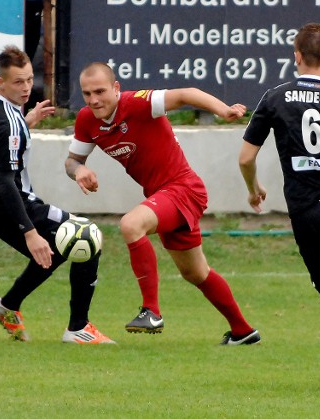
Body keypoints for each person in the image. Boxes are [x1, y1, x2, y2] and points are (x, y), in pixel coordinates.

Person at [65, 62, 260, 345]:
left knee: (131, 225)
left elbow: (186, 94)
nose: (94, 100)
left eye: (100, 91)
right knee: (196, 273)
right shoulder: (87, 120)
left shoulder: (139, 104)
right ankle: (243, 332)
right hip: (163, 196)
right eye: (87, 93)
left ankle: (151, 311)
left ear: (116, 88)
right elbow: (72, 161)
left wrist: (223, 110)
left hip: (183, 188)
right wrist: (79, 171)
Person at [0, 45, 114, 344]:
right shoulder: (9, 124)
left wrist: (26, 122)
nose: (26, 87)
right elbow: (6, 182)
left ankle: (7, 306)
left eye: (30, 79)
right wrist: (30, 232)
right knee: (87, 236)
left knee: (58, 248)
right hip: (11, 205)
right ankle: (78, 328)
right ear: (1, 82)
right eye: (18, 82)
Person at [240, 23, 320, 338]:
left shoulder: (275, 98)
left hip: (310, 213)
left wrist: (253, 189)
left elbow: (246, 158)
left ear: (296, 56)